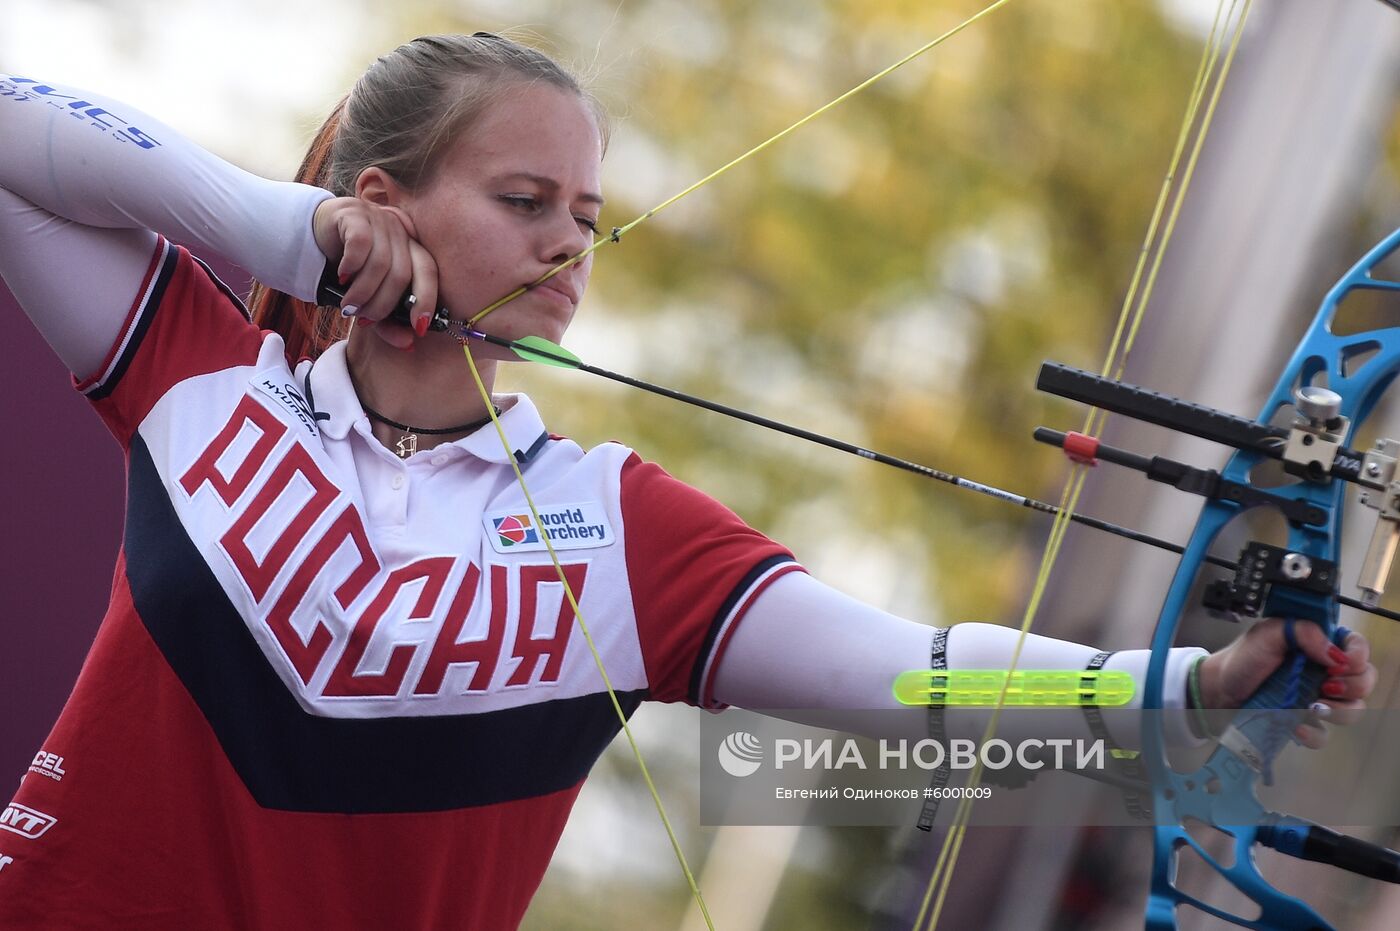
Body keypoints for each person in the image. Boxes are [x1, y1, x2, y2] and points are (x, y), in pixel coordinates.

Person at [0, 33, 1376, 931]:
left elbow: (924, 672)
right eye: (524, 201)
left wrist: (1192, 688)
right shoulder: (207, 385)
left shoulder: (616, 529)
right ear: (386, 196)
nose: (567, 248)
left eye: (586, 221)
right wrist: (272, 228)